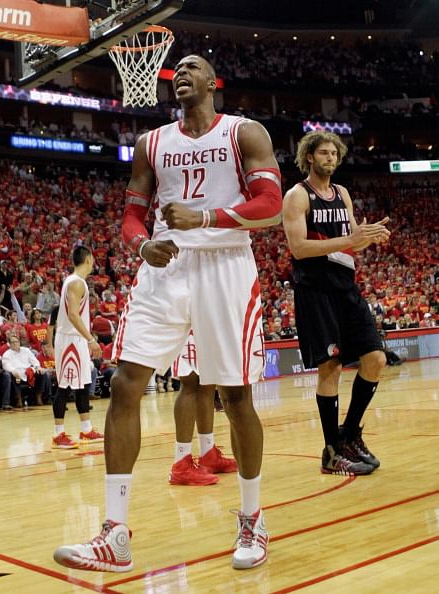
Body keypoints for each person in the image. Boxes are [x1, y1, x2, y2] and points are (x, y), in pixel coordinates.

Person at [53, 54, 282, 572]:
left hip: (225, 265)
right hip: (165, 268)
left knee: (236, 395)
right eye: (175, 68)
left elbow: (269, 204)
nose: (180, 72)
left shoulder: (245, 133)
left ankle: (252, 519)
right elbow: (134, 213)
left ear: (213, 82)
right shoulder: (150, 143)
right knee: (126, 383)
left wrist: (204, 216)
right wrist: (141, 248)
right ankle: (114, 534)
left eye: (192, 66)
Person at [282, 131, 390, 476]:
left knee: (375, 359)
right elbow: (298, 247)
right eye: (324, 153)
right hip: (315, 292)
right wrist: (351, 238)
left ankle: (350, 434)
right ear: (309, 157)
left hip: (346, 288)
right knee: (330, 369)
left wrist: (368, 237)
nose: (331, 158)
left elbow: (351, 242)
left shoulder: (342, 193)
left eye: (334, 153)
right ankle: (331, 453)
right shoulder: (298, 196)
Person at [51, 245, 104, 449]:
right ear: (89, 259)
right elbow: (73, 315)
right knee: (64, 386)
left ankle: (86, 429)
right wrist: (91, 339)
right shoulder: (76, 283)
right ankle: (58, 434)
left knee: (82, 384)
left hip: (77, 340)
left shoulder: (75, 281)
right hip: (69, 340)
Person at [169, 331, 237, 486]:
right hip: (187, 320)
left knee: (207, 382)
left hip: (208, 321)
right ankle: (181, 462)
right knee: (190, 381)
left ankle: (208, 454)